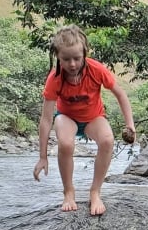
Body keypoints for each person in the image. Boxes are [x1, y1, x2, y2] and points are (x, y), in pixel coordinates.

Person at [33, 25, 136, 216]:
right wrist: (42, 156)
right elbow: (46, 120)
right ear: (58, 57)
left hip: (93, 117)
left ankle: (95, 191)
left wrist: (130, 124)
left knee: (107, 141)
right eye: (66, 59)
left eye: (77, 58)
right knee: (65, 144)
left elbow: (120, 95)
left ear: (84, 54)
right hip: (67, 117)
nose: (72, 64)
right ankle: (68, 191)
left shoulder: (96, 70)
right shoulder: (54, 79)